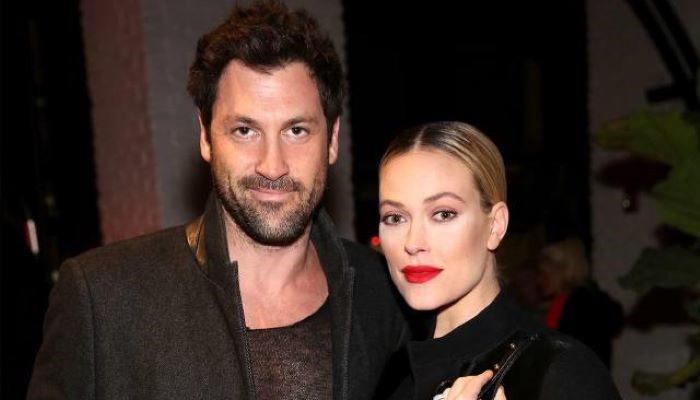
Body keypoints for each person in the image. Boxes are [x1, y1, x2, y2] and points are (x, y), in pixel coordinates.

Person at [27, 2, 411, 398]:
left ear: (331, 140)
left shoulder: (386, 291)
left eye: (296, 130)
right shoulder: (104, 298)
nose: (272, 166)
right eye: (245, 130)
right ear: (206, 136)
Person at [378, 121, 622, 400]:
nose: (413, 243)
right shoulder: (387, 379)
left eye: (443, 214)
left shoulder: (559, 372)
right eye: (395, 217)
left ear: (495, 226)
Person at [537, 238, 624, 368]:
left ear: (560, 272)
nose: (539, 281)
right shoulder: (562, 303)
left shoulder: (581, 305)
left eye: (544, 274)